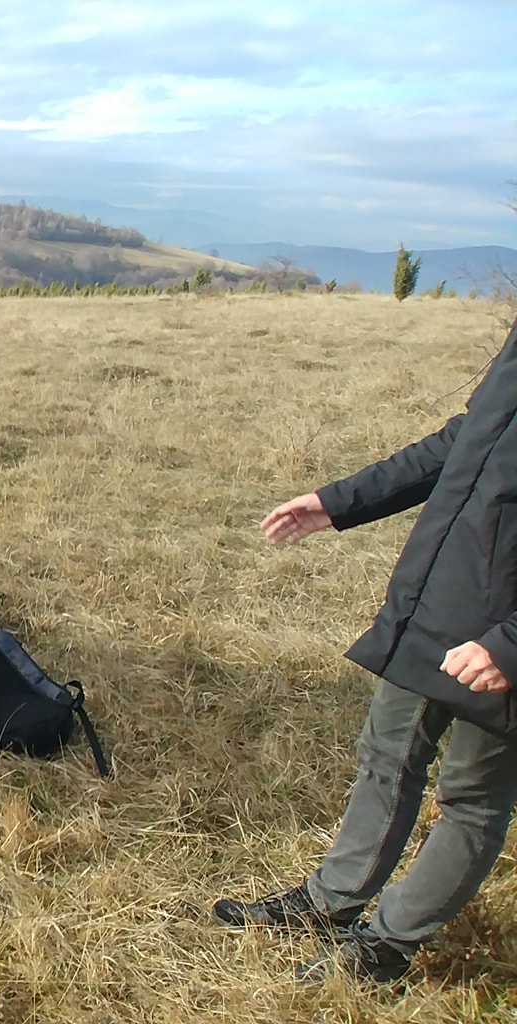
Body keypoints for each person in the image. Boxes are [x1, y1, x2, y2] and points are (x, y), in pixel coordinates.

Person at [212, 321, 517, 985]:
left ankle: (385, 947)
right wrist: (338, 502)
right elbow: (464, 441)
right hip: (442, 598)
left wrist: (510, 645)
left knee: (472, 800)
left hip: (504, 643)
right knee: (386, 756)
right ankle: (330, 903)